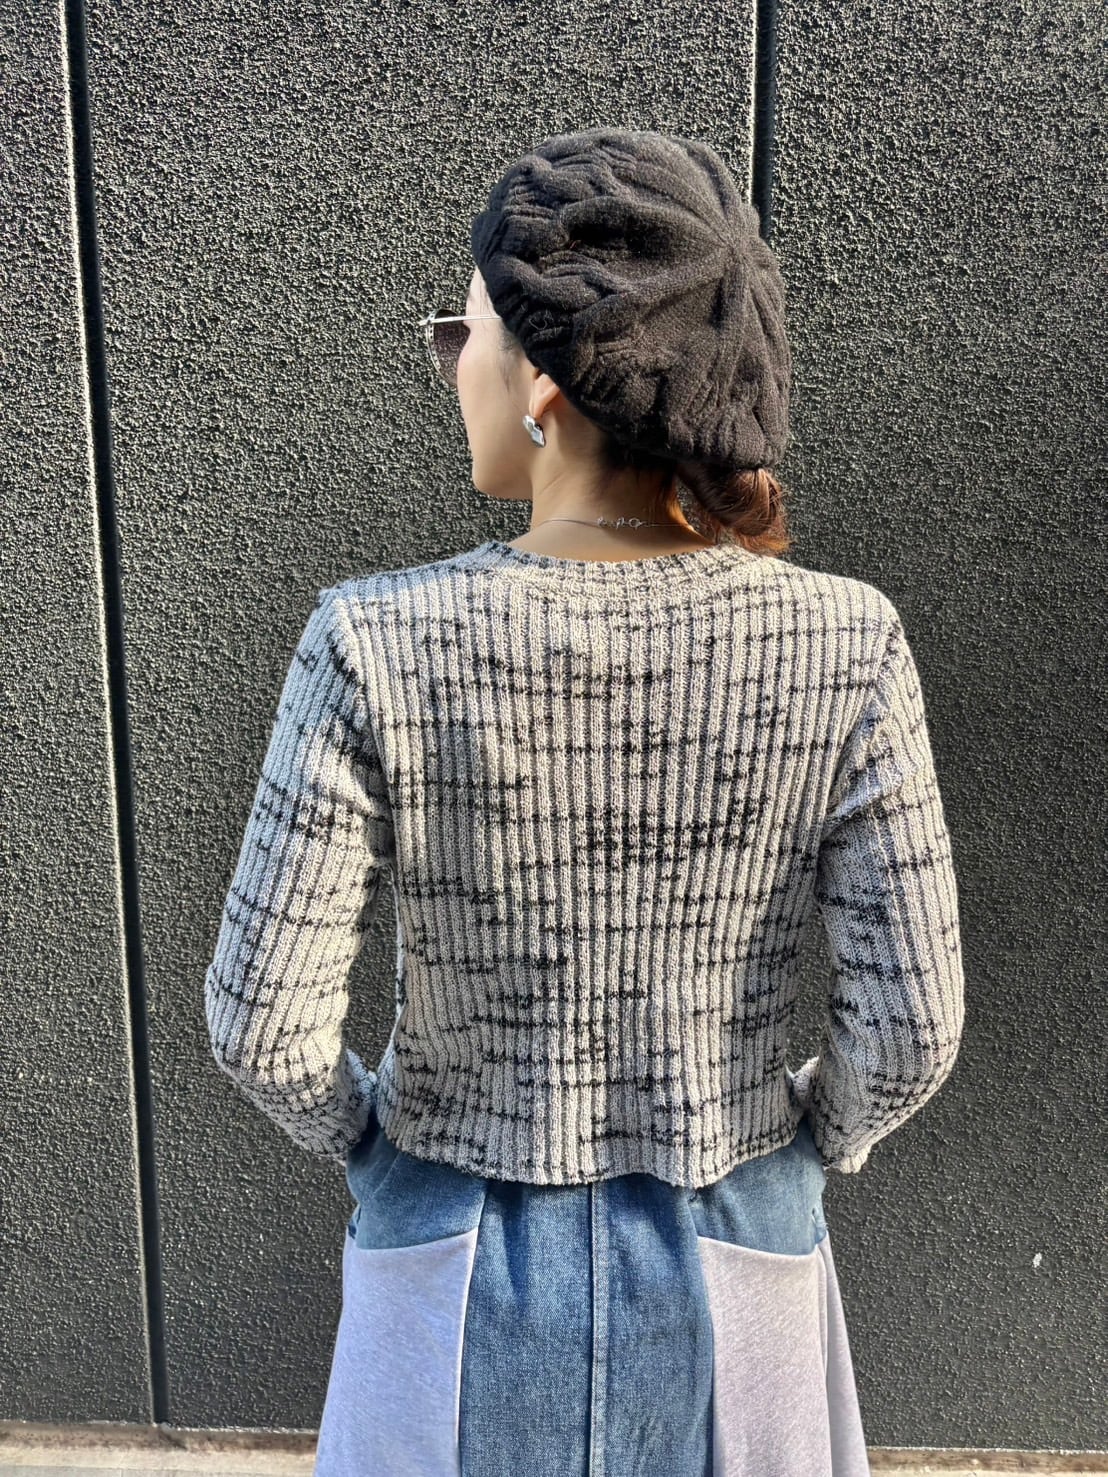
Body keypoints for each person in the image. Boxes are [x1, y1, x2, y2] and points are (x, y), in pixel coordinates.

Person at [204, 127, 966, 1476]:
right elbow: (910, 1029)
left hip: (450, 1246)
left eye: (468, 330)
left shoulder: (373, 643)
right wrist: (800, 1139)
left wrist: (381, 1149)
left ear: (546, 383)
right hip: (741, 1241)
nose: (455, 361)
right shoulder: (849, 645)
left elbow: (262, 1025)